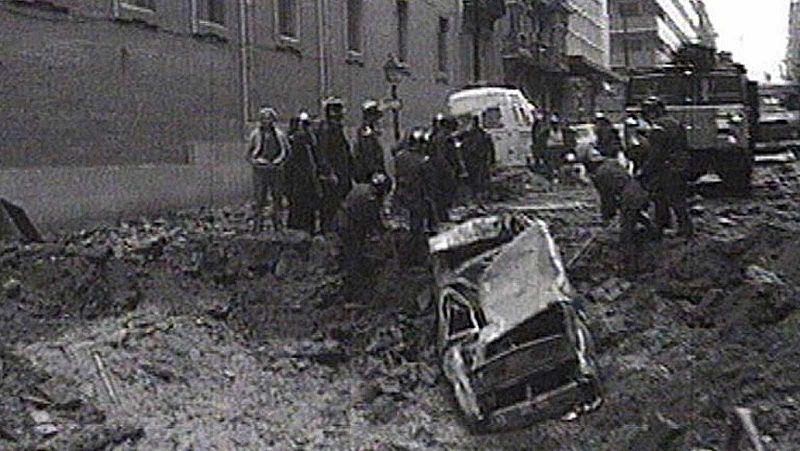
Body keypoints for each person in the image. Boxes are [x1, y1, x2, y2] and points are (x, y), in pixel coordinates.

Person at [586, 152, 655, 273]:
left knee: (626, 233)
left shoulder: (599, 175)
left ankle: (631, 267)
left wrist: (607, 216)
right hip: (638, 189)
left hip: (628, 196)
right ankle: (653, 233)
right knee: (635, 214)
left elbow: (606, 198)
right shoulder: (612, 163)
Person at [638, 96, 693, 238]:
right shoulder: (675, 123)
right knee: (676, 197)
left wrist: (644, 171)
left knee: (664, 197)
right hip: (680, 164)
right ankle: (678, 228)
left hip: (667, 167)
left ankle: (674, 228)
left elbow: (655, 154)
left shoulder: (658, 128)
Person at [337, 172, 393, 295]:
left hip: (344, 221)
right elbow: (373, 221)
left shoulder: (361, 187)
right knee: (354, 254)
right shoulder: (370, 200)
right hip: (349, 227)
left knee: (353, 252)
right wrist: (385, 232)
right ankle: (355, 287)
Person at [247, 106, 290, 232]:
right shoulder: (255, 135)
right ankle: (257, 225)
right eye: (264, 118)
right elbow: (249, 153)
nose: (267, 121)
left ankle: (278, 224)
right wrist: (257, 161)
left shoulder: (280, 135)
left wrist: (279, 161)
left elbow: (286, 151)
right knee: (259, 198)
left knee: (277, 197)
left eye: (269, 118)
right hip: (261, 170)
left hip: (276, 170)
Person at [316, 97, 355, 233]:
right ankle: (328, 232)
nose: (339, 113)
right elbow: (322, 154)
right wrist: (329, 173)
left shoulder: (337, 128)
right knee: (329, 206)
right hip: (333, 176)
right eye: (335, 110)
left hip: (342, 173)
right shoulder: (326, 129)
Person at [286, 112, 322, 234]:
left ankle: (304, 229)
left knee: (305, 207)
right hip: (298, 179)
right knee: (299, 207)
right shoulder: (295, 140)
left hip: (305, 178)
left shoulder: (308, 140)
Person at [461, 115, 495, 197]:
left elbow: (489, 148)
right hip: (475, 160)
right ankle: (479, 195)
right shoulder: (477, 134)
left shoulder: (477, 135)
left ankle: (479, 195)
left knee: (478, 179)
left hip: (477, 160)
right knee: (478, 179)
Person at [352, 100, 385, 183]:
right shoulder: (366, 130)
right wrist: (375, 171)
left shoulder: (370, 129)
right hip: (370, 173)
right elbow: (368, 152)